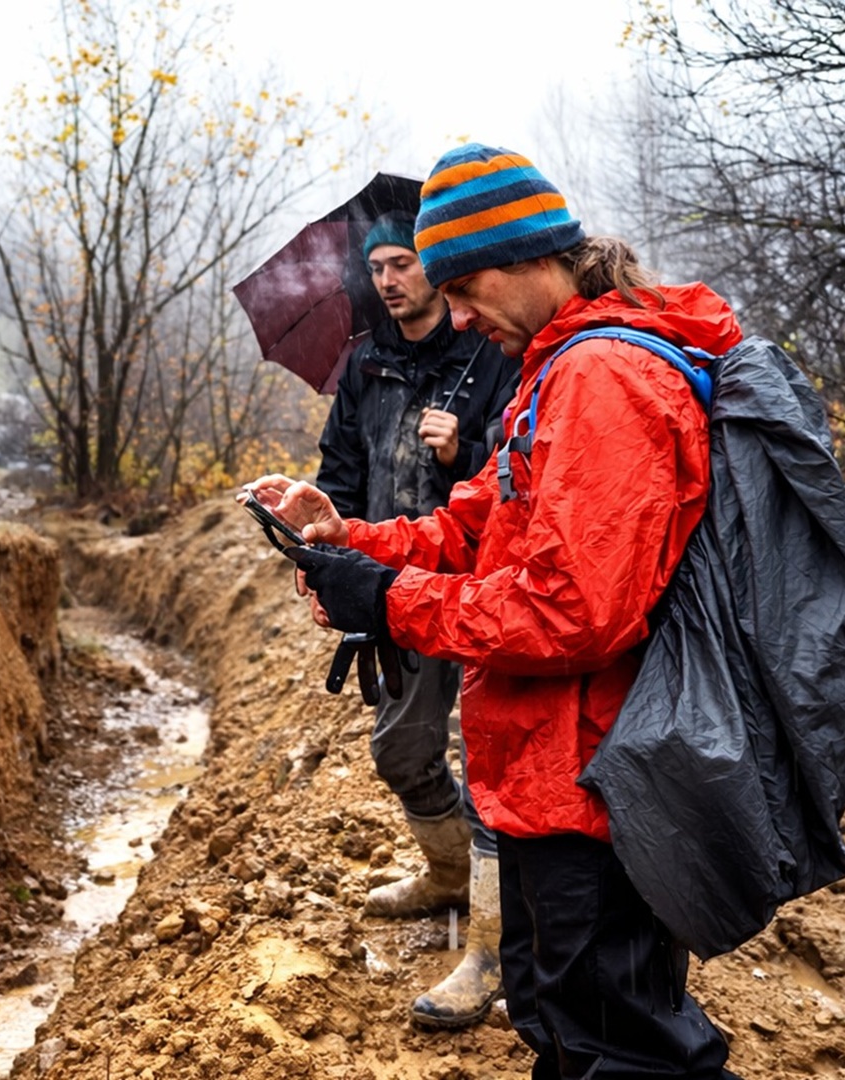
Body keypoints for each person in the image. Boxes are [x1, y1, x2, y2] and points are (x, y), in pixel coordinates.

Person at [247, 144, 741, 1080]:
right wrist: (353, 539)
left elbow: (574, 610)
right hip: (546, 772)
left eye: (464, 289)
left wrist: (393, 603)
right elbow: (489, 521)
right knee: (564, 1020)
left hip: (592, 783)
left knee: (619, 1043)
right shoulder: (559, 367)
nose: (460, 316)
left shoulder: (605, 380)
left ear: (527, 258)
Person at [315, 209, 519, 1030]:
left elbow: (510, 483)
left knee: (500, 772)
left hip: (487, 590)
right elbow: (341, 472)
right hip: (399, 589)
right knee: (401, 750)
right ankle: (446, 876)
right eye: (379, 269)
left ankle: (494, 941)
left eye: (403, 263)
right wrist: (344, 565)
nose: (389, 281)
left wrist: (455, 451)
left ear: (437, 271)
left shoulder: (488, 354)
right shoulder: (363, 365)